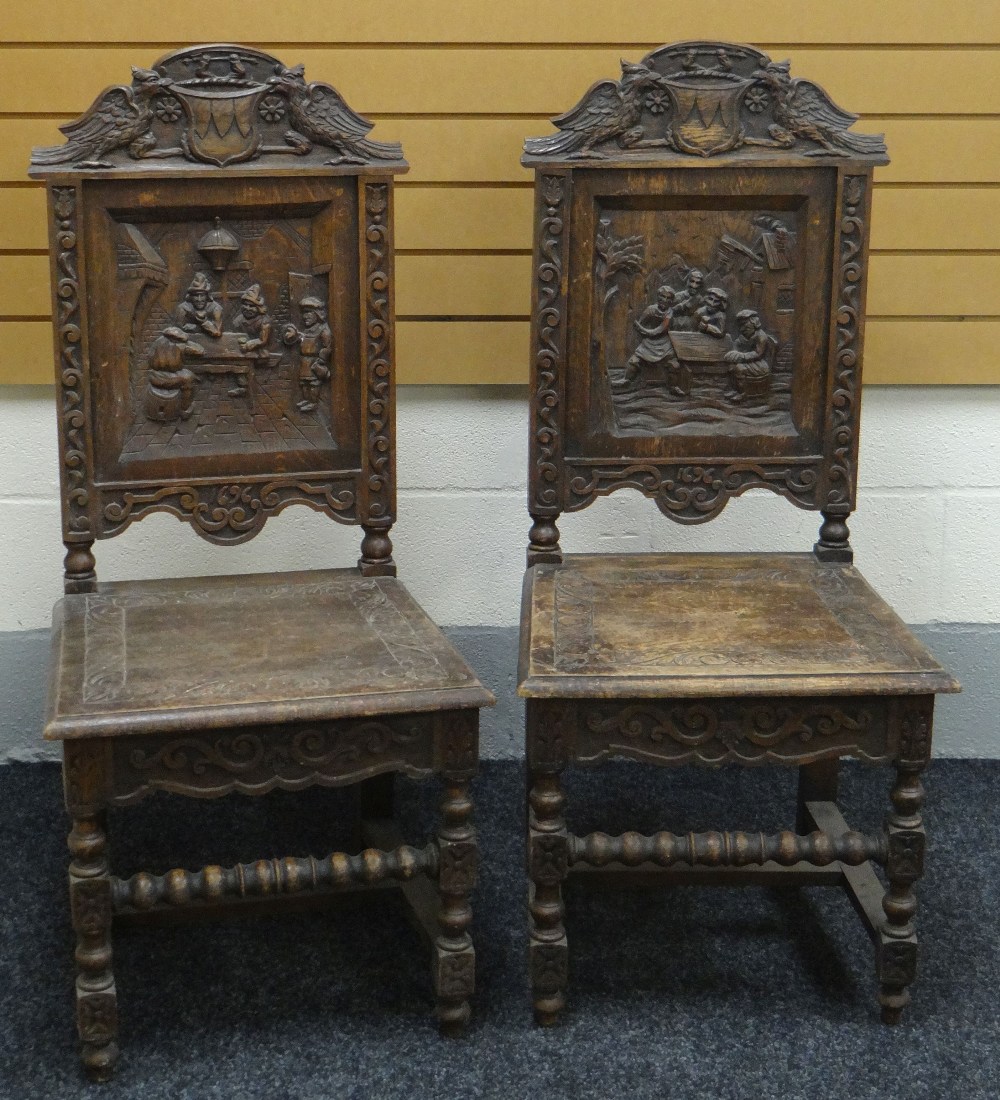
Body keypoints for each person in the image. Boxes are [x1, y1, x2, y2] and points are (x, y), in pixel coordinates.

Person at [283, 296, 332, 412]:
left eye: (309, 313)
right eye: (304, 313)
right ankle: (306, 399)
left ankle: (313, 402)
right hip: (304, 360)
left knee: (314, 383)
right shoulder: (307, 330)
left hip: (314, 360)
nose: (305, 316)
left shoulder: (323, 330)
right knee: (304, 383)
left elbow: (327, 347)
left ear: (317, 314)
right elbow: (302, 339)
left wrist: (321, 359)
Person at [145, 326, 202, 421]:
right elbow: (200, 350)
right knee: (188, 378)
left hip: (154, 376)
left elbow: (150, 357)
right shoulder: (181, 346)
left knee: (187, 375)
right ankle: (185, 409)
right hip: (170, 377)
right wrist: (187, 342)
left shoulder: (157, 342)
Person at [724, 309, 777, 401]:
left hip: (760, 364)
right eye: (740, 325)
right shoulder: (745, 335)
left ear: (754, 323)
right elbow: (738, 345)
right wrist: (734, 351)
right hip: (749, 361)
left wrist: (741, 356)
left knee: (739, 368)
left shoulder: (761, 336)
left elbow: (758, 354)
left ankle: (744, 393)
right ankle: (735, 389)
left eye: (745, 325)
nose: (742, 329)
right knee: (731, 366)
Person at [230, 283, 272, 398]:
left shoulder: (264, 320)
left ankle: (258, 384)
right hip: (242, 350)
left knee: (254, 361)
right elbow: (235, 337)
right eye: (245, 305)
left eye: (252, 306)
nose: (248, 308)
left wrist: (249, 345)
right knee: (236, 359)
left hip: (259, 350)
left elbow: (263, 340)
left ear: (258, 308)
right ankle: (242, 386)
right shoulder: (238, 321)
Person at [174, 272, 223, 338]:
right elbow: (177, 330)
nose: (199, 299)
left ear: (207, 296)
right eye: (196, 295)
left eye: (202, 295)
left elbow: (217, 332)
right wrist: (199, 327)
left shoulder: (216, 308)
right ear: (190, 296)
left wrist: (204, 321)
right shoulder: (183, 308)